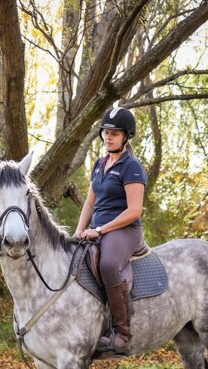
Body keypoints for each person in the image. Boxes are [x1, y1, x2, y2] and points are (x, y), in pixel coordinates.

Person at [73, 106, 148, 354]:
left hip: (124, 229)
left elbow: (134, 211)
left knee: (107, 265)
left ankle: (122, 333)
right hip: (98, 228)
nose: (108, 137)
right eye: (106, 132)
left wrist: (100, 230)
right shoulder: (99, 164)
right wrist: (78, 231)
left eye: (115, 133)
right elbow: (90, 202)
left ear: (126, 136)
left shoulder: (132, 167)